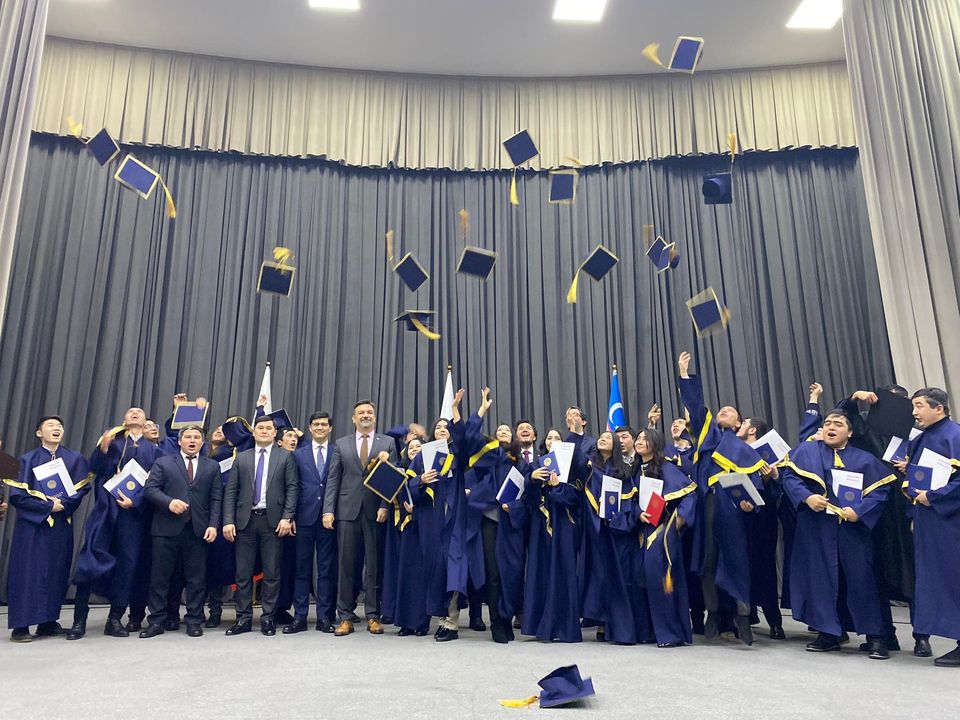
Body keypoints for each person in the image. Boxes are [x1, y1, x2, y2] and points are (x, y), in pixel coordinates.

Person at [782, 410, 896, 659]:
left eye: (838, 424)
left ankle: (876, 637)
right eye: (827, 423)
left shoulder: (865, 460)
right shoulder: (807, 452)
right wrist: (806, 497)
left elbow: (880, 493)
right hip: (817, 527)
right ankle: (828, 633)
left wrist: (859, 511)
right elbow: (789, 477)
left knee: (861, 580)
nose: (831, 427)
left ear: (850, 432)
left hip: (851, 530)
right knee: (821, 581)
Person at [677, 351, 766, 646]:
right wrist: (685, 376)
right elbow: (696, 408)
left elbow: (754, 485)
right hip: (707, 505)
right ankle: (712, 612)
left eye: (730, 411)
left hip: (733, 509)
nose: (723, 411)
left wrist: (750, 504)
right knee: (707, 560)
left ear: (740, 424)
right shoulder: (708, 436)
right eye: (722, 410)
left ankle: (743, 615)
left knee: (736, 561)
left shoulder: (746, 451)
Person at [69, 407, 164, 640]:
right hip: (106, 511)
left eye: (139, 412)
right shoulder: (112, 442)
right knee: (90, 560)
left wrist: (136, 501)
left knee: (128, 565)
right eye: (131, 412)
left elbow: (156, 483)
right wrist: (102, 450)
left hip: (134, 515)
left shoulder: (154, 451)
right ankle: (79, 619)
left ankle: (114, 618)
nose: (135, 413)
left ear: (146, 422)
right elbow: (94, 469)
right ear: (124, 419)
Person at [5, 416, 92, 642]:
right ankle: (21, 625)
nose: (56, 428)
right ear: (39, 433)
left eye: (60, 426)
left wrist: (63, 504)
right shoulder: (26, 460)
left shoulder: (74, 459)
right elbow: (18, 497)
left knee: (56, 572)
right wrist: (47, 506)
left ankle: (48, 621)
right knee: (28, 573)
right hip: (32, 526)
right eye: (51, 425)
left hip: (61, 524)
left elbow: (82, 490)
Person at [323, 400, 398, 635]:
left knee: (373, 565)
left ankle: (373, 615)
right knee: (346, 565)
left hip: (375, 511)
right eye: (361, 413)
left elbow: (392, 477)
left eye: (369, 412)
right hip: (347, 511)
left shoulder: (387, 443)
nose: (366, 415)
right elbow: (333, 479)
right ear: (354, 418)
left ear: (374, 417)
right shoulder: (341, 443)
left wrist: (385, 506)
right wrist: (328, 510)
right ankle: (345, 616)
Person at [139, 426, 221, 638]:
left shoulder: (212, 466)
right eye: (188, 437)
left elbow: (216, 498)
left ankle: (193, 620)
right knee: (160, 578)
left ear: (202, 442)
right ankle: (156, 621)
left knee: (196, 579)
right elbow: (150, 490)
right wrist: (168, 502)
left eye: (196, 437)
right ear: (179, 441)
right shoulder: (163, 462)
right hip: (166, 529)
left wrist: (213, 525)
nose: (192, 441)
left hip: (198, 530)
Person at [222, 415, 299, 636]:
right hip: (245, 521)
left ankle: (268, 618)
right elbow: (231, 491)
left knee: (272, 573)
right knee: (243, 573)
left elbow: (292, 488)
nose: (264, 431)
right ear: (254, 432)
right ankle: (243, 618)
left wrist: (287, 517)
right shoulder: (242, 457)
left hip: (273, 521)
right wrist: (228, 521)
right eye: (260, 428)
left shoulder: (285, 457)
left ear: (275, 433)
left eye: (268, 428)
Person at [900, 387, 960, 667]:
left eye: (919, 406)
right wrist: (915, 507)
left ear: (939, 408)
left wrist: (933, 497)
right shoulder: (918, 440)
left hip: (951, 521)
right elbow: (916, 480)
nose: (914, 412)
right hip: (928, 522)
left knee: (954, 577)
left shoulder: (955, 436)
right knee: (936, 580)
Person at [631, 429, 698, 647]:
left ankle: (670, 634)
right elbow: (630, 500)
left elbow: (689, 494)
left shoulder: (666, 468)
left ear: (655, 443)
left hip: (662, 531)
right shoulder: (634, 470)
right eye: (638, 438)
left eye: (644, 439)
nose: (639, 441)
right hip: (640, 531)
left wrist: (679, 520)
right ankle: (647, 631)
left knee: (661, 581)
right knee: (641, 579)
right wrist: (637, 513)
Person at [285, 412, 339, 634]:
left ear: (330, 428)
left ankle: (324, 617)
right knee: (302, 569)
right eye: (316, 424)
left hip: (329, 519)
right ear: (309, 428)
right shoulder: (298, 454)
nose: (320, 427)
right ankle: (300, 617)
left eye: (324, 424)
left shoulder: (338, 451)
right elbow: (292, 486)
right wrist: (290, 516)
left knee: (326, 570)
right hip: (303, 518)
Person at [580, 430, 636, 644]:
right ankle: (599, 619)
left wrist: (615, 518)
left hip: (614, 530)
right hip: (592, 529)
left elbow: (628, 501)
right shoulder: (588, 467)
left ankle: (613, 624)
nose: (603, 438)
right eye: (601, 437)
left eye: (608, 437)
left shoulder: (622, 471)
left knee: (614, 576)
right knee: (596, 575)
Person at [737, 416, 786, 640]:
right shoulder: (735, 452)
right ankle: (746, 616)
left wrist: (771, 476)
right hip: (739, 516)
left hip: (763, 519)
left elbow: (781, 487)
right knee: (742, 566)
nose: (740, 426)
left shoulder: (770, 454)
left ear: (753, 429)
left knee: (764, 567)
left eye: (744, 423)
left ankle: (774, 621)